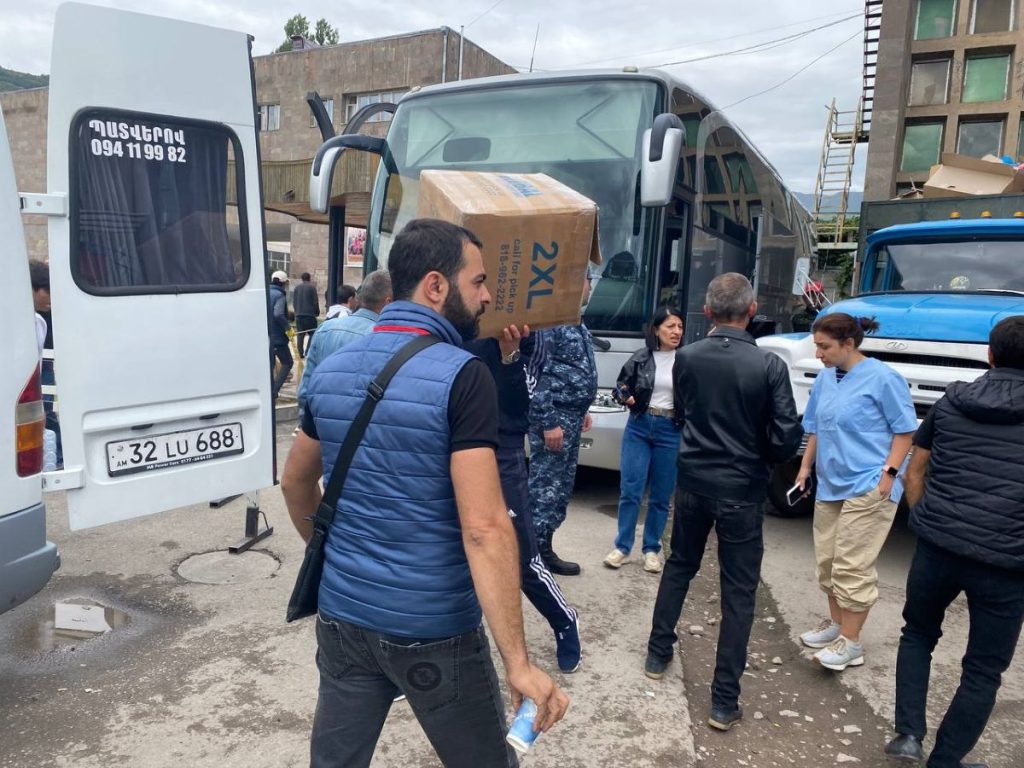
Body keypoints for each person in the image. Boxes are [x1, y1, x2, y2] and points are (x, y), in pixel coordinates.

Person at [281, 218, 568, 768]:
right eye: (479, 281)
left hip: (343, 619)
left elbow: (295, 482)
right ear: (435, 286)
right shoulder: (462, 375)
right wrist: (519, 663)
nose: (488, 296)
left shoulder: (332, 368)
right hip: (433, 630)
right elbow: (484, 528)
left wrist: (339, 555)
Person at [645, 273, 801, 732]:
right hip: (741, 489)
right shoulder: (769, 366)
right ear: (751, 311)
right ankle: (722, 701)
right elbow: (786, 436)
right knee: (738, 592)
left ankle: (657, 653)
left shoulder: (686, 358)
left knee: (679, 566)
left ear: (708, 312)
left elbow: (683, 413)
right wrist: (761, 456)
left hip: (692, 480)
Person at [884, 316, 1024, 768]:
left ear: (989, 353)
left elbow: (915, 468)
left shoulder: (951, 402)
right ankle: (945, 761)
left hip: (937, 546)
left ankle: (908, 735)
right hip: (1005, 563)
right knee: (983, 669)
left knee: (918, 633)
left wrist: (924, 517)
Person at [795, 313, 916, 672]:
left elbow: (906, 432)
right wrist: (804, 467)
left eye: (825, 346)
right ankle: (836, 626)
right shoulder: (826, 379)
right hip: (832, 482)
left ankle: (851, 643)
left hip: (868, 481)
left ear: (849, 343)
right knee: (828, 561)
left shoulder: (884, 378)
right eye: (817, 346)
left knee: (853, 564)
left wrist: (889, 474)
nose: (819, 353)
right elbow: (815, 426)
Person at [465, 326, 582, 674]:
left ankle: (563, 620)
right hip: (452, 441)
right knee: (443, 551)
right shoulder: (456, 320)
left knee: (520, 555)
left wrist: (509, 354)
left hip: (502, 446)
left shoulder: (531, 329)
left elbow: (528, 398)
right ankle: (415, 649)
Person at [527, 271, 599, 576]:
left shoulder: (575, 321)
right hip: (554, 418)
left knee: (559, 489)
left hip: (570, 416)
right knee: (544, 487)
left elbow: (573, 368)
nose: (590, 287)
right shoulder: (551, 321)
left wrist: (582, 407)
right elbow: (537, 374)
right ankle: (530, 555)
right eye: (587, 281)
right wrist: (548, 422)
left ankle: (543, 548)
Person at [604, 307, 684, 573]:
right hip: (639, 426)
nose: (676, 332)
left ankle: (651, 549)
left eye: (679, 327)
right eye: (670, 326)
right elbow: (620, 386)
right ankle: (622, 547)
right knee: (631, 490)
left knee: (661, 495)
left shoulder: (686, 360)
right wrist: (624, 396)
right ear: (656, 330)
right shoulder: (640, 358)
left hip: (670, 428)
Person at [297, 270, 392, 411]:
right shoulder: (386, 339)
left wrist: (308, 428)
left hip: (320, 423)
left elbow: (305, 390)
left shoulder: (325, 329)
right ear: (388, 302)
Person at [30, 260, 61, 467]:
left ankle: (58, 456)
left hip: (43, 369)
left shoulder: (41, 319)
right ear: (32, 289)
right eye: (46, 291)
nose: (50, 298)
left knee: (47, 411)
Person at [268, 270, 293, 402]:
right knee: (288, 362)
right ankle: (274, 390)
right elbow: (278, 314)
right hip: (278, 337)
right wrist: (288, 328)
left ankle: (270, 390)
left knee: (270, 365)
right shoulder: (279, 295)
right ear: (283, 283)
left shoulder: (265, 293)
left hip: (266, 336)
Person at [292, 272, 320, 359]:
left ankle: (300, 353)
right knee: (312, 333)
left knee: (300, 334)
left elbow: (294, 302)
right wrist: (317, 312)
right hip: (310, 315)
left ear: (302, 278)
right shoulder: (312, 288)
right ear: (309, 278)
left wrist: (297, 312)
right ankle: (308, 351)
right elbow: (315, 301)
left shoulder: (297, 288)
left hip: (299, 315)